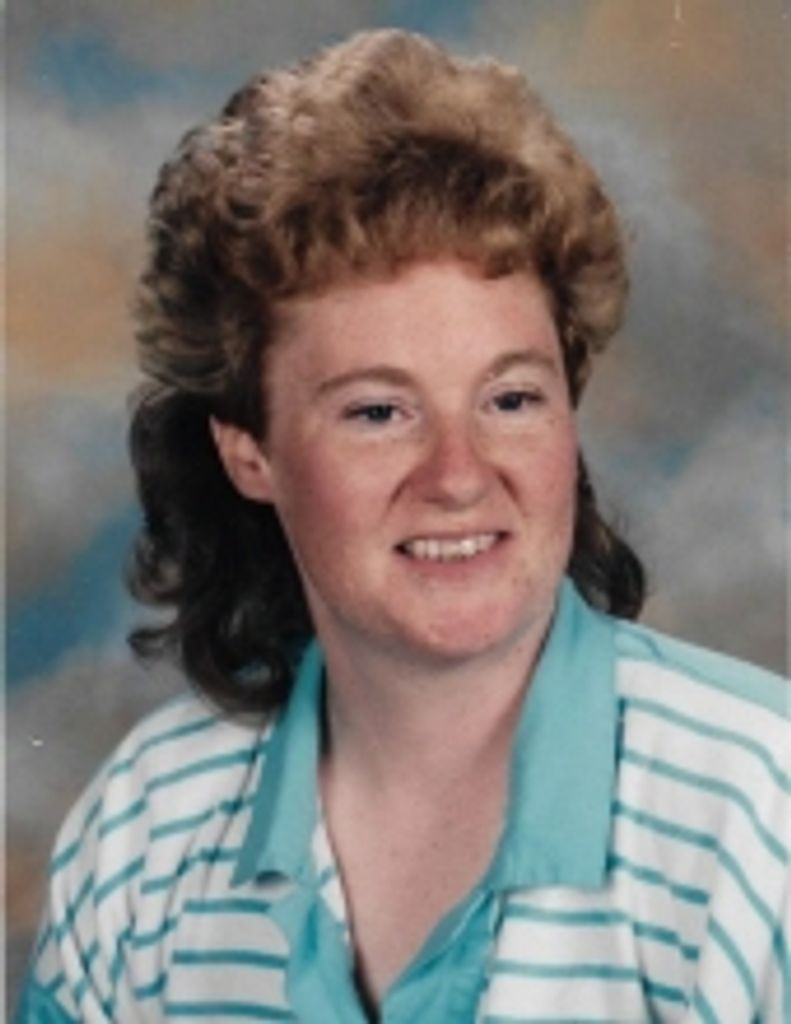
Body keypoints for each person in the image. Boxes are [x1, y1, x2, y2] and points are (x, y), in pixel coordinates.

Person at [17, 28, 789, 1024]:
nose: (458, 476)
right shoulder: (143, 836)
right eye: (378, 411)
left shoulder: (761, 816)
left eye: (509, 399)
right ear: (249, 453)